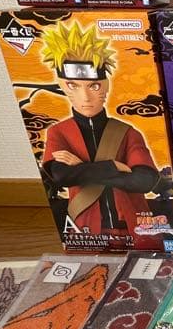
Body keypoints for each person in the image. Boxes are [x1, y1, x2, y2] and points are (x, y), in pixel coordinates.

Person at [39, 21, 161, 240]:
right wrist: (114, 166)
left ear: (106, 85)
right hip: (85, 228)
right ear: (63, 86)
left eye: (94, 86)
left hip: (135, 227)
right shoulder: (59, 132)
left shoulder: (127, 132)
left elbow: (145, 181)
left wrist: (83, 169)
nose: (85, 97)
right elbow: (62, 176)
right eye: (73, 85)